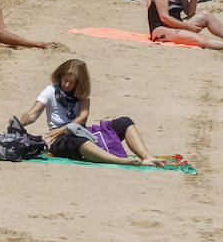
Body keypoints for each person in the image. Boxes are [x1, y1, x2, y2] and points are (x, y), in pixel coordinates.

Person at [14, 58, 165, 166]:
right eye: (64, 80)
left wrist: (66, 128)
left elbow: (83, 117)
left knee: (124, 122)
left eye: (71, 82)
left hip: (78, 130)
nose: (66, 84)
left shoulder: (82, 93)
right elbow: (33, 113)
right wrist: (19, 123)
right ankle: (119, 160)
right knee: (77, 140)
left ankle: (146, 157)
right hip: (59, 138)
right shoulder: (51, 91)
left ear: (79, 83)